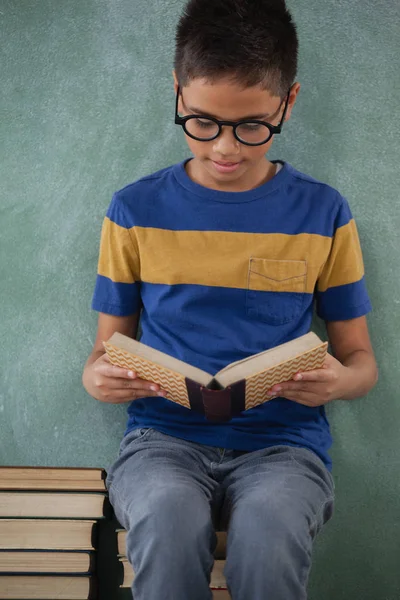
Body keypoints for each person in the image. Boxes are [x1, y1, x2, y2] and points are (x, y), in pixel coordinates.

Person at [82, 1, 378, 598]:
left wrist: (337, 382)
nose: (224, 148)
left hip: (284, 446)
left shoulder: (324, 213)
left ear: (288, 103)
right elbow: (102, 353)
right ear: (177, 93)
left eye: (251, 127)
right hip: (161, 441)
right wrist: (99, 379)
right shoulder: (134, 210)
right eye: (202, 122)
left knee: (271, 532)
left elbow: (361, 362)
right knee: (167, 519)